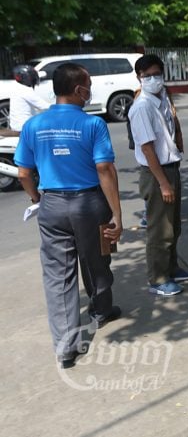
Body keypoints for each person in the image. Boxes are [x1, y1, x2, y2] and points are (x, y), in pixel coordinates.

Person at [14, 63, 123, 369]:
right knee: (97, 258)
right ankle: (101, 310)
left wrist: (37, 199)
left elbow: (24, 173)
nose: (90, 91)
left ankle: (65, 347)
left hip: (52, 205)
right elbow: (104, 169)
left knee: (57, 275)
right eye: (88, 85)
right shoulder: (93, 125)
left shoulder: (33, 126)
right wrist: (117, 213)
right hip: (89, 203)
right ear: (79, 90)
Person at [128, 54, 188, 296]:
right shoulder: (142, 107)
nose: (153, 79)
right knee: (160, 230)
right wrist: (164, 184)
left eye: (157, 74)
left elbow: (172, 124)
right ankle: (158, 278)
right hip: (157, 174)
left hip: (170, 169)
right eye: (147, 76)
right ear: (139, 78)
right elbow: (147, 149)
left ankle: (172, 268)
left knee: (173, 226)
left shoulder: (162, 96)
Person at [9, 64, 50, 131]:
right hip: (24, 128)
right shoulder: (26, 91)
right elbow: (45, 107)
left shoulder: (17, 88)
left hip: (16, 126)